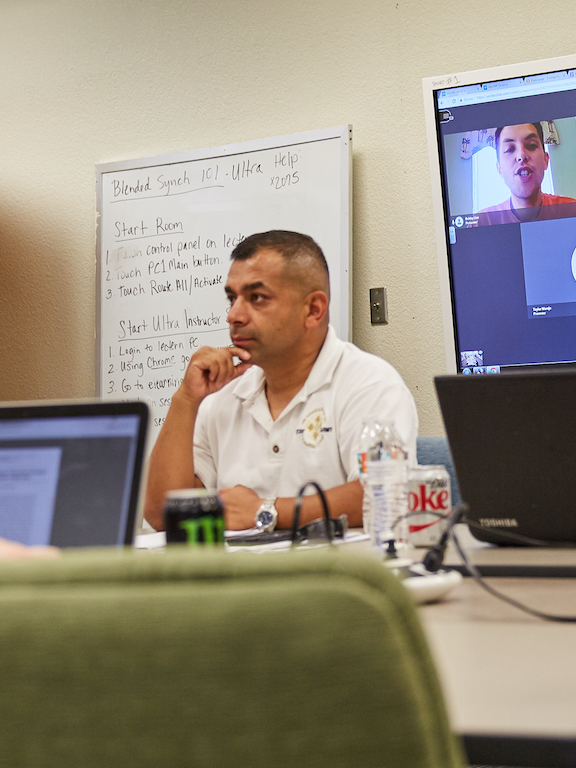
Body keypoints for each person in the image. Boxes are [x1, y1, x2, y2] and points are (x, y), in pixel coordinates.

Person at [143, 230, 418, 532]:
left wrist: (265, 511)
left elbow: (385, 493)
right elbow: (161, 516)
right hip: (235, 576)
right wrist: (186, 400)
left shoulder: (370, 385)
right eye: (232, 298)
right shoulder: (222, 398)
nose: (233, 315)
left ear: (313, 310)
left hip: (334, 575)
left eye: (256, 298)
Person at [477, 122, 576, 225]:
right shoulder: (483, 221)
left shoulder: (572, 211)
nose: (521, 155)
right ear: (499, 168)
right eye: (510, 149)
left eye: (531, 145)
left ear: (545, 160)